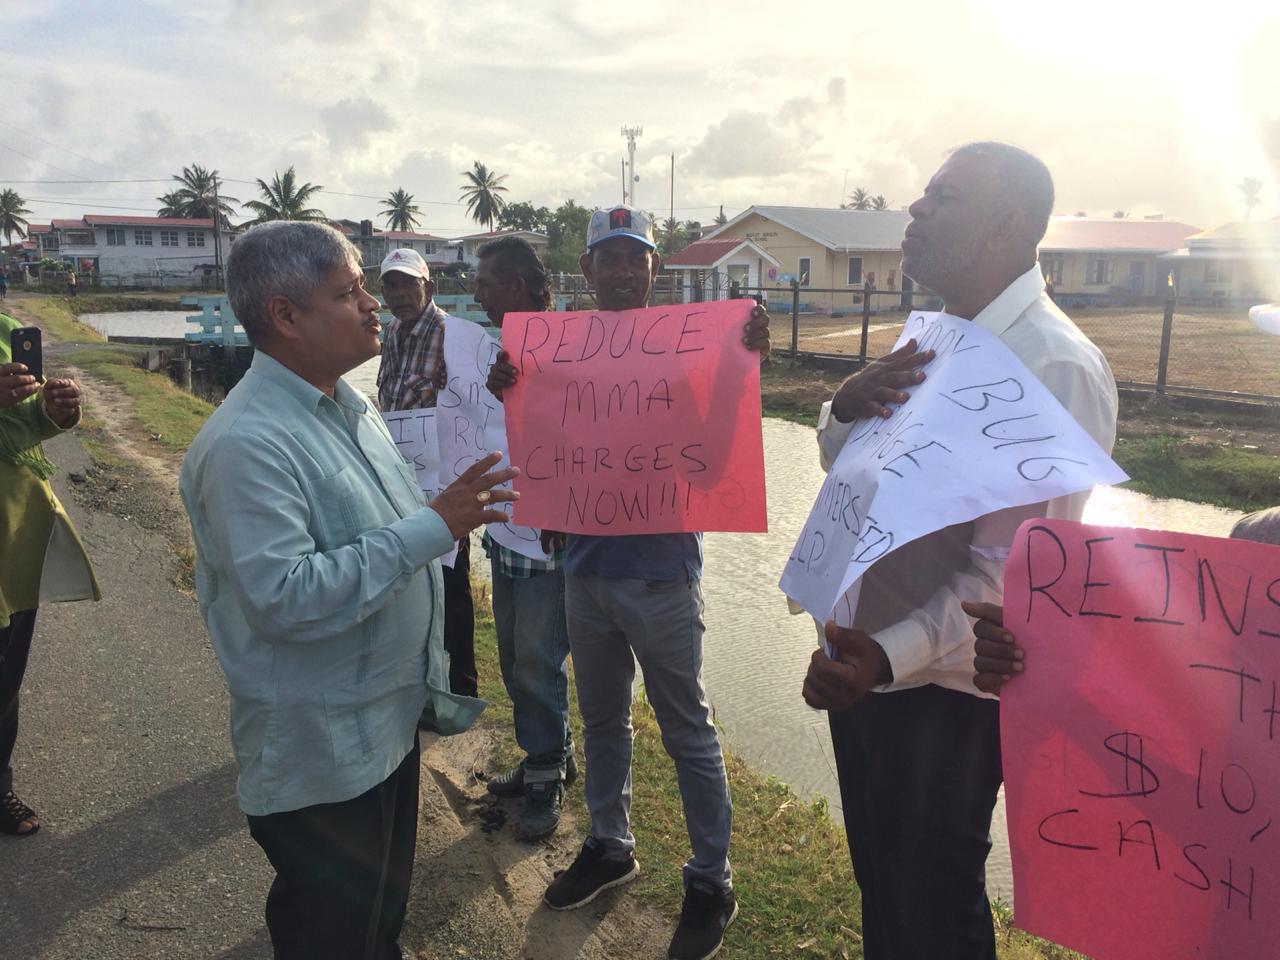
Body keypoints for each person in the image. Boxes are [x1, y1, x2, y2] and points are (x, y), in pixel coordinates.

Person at [799, 142, 1119, 959]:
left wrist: (885, 656)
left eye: (942, 195)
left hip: (940, 696)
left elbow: (1007, 577)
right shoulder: (939, 337)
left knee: (934, 904)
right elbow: (856, 469)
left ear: (1006, 226)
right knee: (886, 886)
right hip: (862, 667)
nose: (915, 208)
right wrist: (842, 408)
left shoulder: (1053, 364)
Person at [178, 222, 515, 960]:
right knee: (333, 938)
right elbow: (283, 597)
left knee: (377, 928)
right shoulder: (248, 445)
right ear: (286, 316)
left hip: (381, 733)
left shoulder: (346, 405)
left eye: (365, 286)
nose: (372, 304)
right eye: (348, 290)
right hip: (324, 760)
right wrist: (434, 527)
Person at [487, 205, 771, 960]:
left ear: (654, 268)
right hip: (584, 572)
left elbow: (713, 451)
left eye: (634, 258)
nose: (620, 271)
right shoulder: (563, 355)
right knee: (602, 719)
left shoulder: (684, 350)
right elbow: (549, 442)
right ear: (587, 271)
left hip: (661, 574)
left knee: (687, 729)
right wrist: (509, 388)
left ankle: (712, 878)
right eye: (607, 258)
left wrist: (744, 366)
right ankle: (610, 844)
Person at [471, 235, 576, 841]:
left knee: (539, 657)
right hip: (510, 529)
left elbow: (586, 429)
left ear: (518, 287)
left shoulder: (571, 346)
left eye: (486, 283)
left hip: (550, 536)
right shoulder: (497, 351)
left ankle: (545, 770)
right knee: (513, 654)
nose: (477, 294)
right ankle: (550, 752)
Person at [1, 310, 100, 837]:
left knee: (5, 677)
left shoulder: (3, 327)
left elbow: (23, 430)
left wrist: (53, 413)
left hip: (15, 536)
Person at [374, 248, 478, 699]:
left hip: (445, 479)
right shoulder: (391, 333)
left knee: (452, 582)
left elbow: (476, 404)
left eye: (407, 284)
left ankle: (463, 686)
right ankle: (422, 681)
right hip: (401, 476)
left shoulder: (453, 336)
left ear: (428, 287)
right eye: (390, 286)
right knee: (413, 582)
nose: (399, 294)